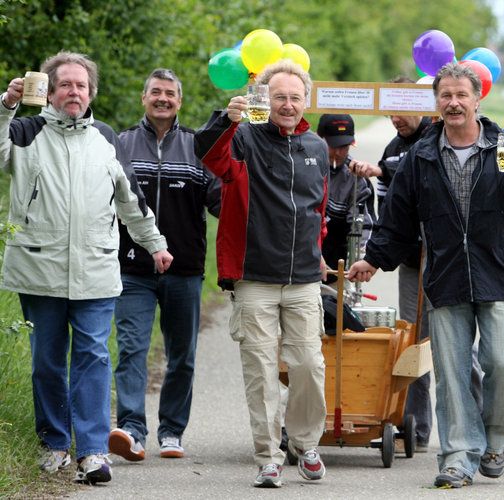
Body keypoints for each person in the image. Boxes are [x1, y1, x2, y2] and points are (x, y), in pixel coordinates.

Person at [348, 62, 504, 488]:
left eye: (462, 94)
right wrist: (374, 258)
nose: (453, 102)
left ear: (477, 98)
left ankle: (495, 442)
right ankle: (457, 457)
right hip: (446, 277)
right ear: (437, 102)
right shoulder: (421, 157)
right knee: (451, 372)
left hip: (501, 273)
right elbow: (398, 218)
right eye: (445, 95)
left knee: (502, 362)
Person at [0, 51, 172, 484]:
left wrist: (155, 244)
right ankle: (55, 444)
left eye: (81, 85)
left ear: (91, 91)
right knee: (47, 361)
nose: (73, 91)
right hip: (40, 268)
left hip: (96, 269)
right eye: (65, 84)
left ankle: (92, 452)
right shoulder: (25, 131)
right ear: (50, 91)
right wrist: (6, 107)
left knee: (93, 356)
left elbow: (131, 201)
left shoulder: (106, 137)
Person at [194, 60, 328, 489]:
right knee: (261, 372)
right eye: (279, 97)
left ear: (305, 100)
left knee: (308, 365)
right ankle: (268, 457)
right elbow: (209, 154)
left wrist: (319, 250)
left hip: (305, 278)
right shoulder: (244, 139)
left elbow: (318, 210)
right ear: (265, 99)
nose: (287, 105)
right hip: (254, 277)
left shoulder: (317, 147)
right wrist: (225, 120)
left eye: (294, 97)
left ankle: (305, 444)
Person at [108, 69, 221, 463]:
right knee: (132, 349)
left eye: (170, 93)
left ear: (180, 101)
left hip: (185, 270)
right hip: (132, 269)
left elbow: (220, 202)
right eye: (155, 92)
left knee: (182, 356)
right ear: (144, 98)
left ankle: (172, 431)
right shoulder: (121, 143)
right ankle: (133, 431)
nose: (162, 99)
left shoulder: (197, 146)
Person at [350, 95, 436, 451]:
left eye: (401, 111)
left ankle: (473, 430)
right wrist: (377, 256)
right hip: (411, 260)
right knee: (412, 342)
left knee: (454, 347)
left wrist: (381, 170)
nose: (395, 118)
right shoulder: (392, 146)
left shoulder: (436, 136)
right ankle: (413, 427)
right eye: (389, 112)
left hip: (444, 260)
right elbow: (391, 211)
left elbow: (421, 172)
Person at [315, 113, 373, 277]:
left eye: (345, 147)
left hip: (336, 268)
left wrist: (361, 258)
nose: (340, 153)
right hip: (300, 262)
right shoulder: (302, 167)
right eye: (334, 146)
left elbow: (363, 225)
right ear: (319, 139)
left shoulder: (356, 179)